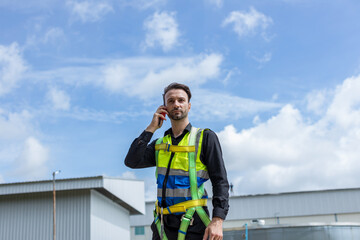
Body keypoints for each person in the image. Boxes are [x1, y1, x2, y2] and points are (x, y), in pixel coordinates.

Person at [125, 82, 229, 240]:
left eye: (181, 100)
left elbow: (220, 181)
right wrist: (150, 129)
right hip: (162, 227)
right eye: (171, 101)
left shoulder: (205, 138)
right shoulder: (160, 144)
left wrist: (217, 220)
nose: (176, 104)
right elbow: (132, 161)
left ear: (189, 105)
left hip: (195, 224)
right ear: (164, 107)